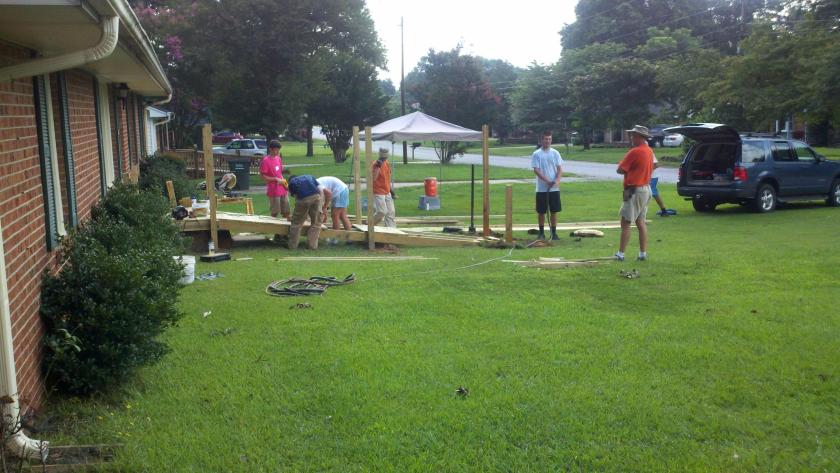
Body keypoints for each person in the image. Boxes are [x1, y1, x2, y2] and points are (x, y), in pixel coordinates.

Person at [615, 125, 655, 261]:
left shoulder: (635, 152)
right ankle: (642, 253)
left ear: (639, 137)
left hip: (634, 190)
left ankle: (621, 254)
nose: (631, 137)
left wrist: (622, 164)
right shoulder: (649, 151)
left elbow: (620, 170)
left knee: (625, 222)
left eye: (633, 135)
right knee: (640, 222)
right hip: (646, 189)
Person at [531, 130, 563, 240]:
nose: (548, 141)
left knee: (554, 211)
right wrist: (546, 181)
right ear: (542, 140)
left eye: (549, 139)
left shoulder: (555, 153)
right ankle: (541, 233)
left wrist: (557, 181)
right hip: (541, 188)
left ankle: (554, 233)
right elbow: (536, 170)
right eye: (546, 139)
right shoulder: (537, 154)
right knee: (541, 211)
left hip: (554, 188)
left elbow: (559, 169)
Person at [286, 174, 325, 250]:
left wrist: (298, 214)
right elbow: (320, 190)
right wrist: (320, 207)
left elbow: (297, 198)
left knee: (296, 223)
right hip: (316, 197)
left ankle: (292, 246)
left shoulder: (291, 183)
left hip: (302, 199)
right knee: (316, 223)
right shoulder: (309, 176)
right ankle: (312, 246)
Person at [259, 140, 290, 220]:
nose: (277, 152)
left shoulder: (278, 159)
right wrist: (275, 179)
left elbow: (279, 173)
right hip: (273, 190)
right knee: (275, 212)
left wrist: (284, 181)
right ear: (270, 149)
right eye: (276, 150)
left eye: (278, 150)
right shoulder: (265, 161)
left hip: (282, 188)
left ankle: (285, 230)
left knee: (286, 211)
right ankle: (272, 227)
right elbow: (263, 176)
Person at [371, 148, 396, 228]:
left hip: (386, 192)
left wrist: (392, 192)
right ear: (380, 155)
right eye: (383, 157)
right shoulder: (375, 164)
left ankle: (391, 231)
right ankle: (369, 225)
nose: (385, 158)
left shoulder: (387, 164)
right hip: (378, 192)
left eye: (386, 156)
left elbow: (387, 179)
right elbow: (373, 178)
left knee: (391, 212)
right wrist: (378, 166)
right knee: (382, 212)